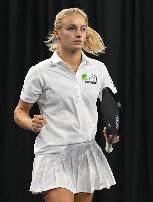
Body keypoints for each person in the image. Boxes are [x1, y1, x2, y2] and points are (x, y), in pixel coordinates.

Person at [13, 8, 120, 202]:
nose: (78, 33)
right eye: (71, 28)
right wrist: (31, 124)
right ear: (57, 33)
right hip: (53, 153)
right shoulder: (40, 72)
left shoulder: (98, 69)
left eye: (82, 28)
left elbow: (110, 103)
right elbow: (20, 111)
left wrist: (112, 129)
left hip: (86, 154)